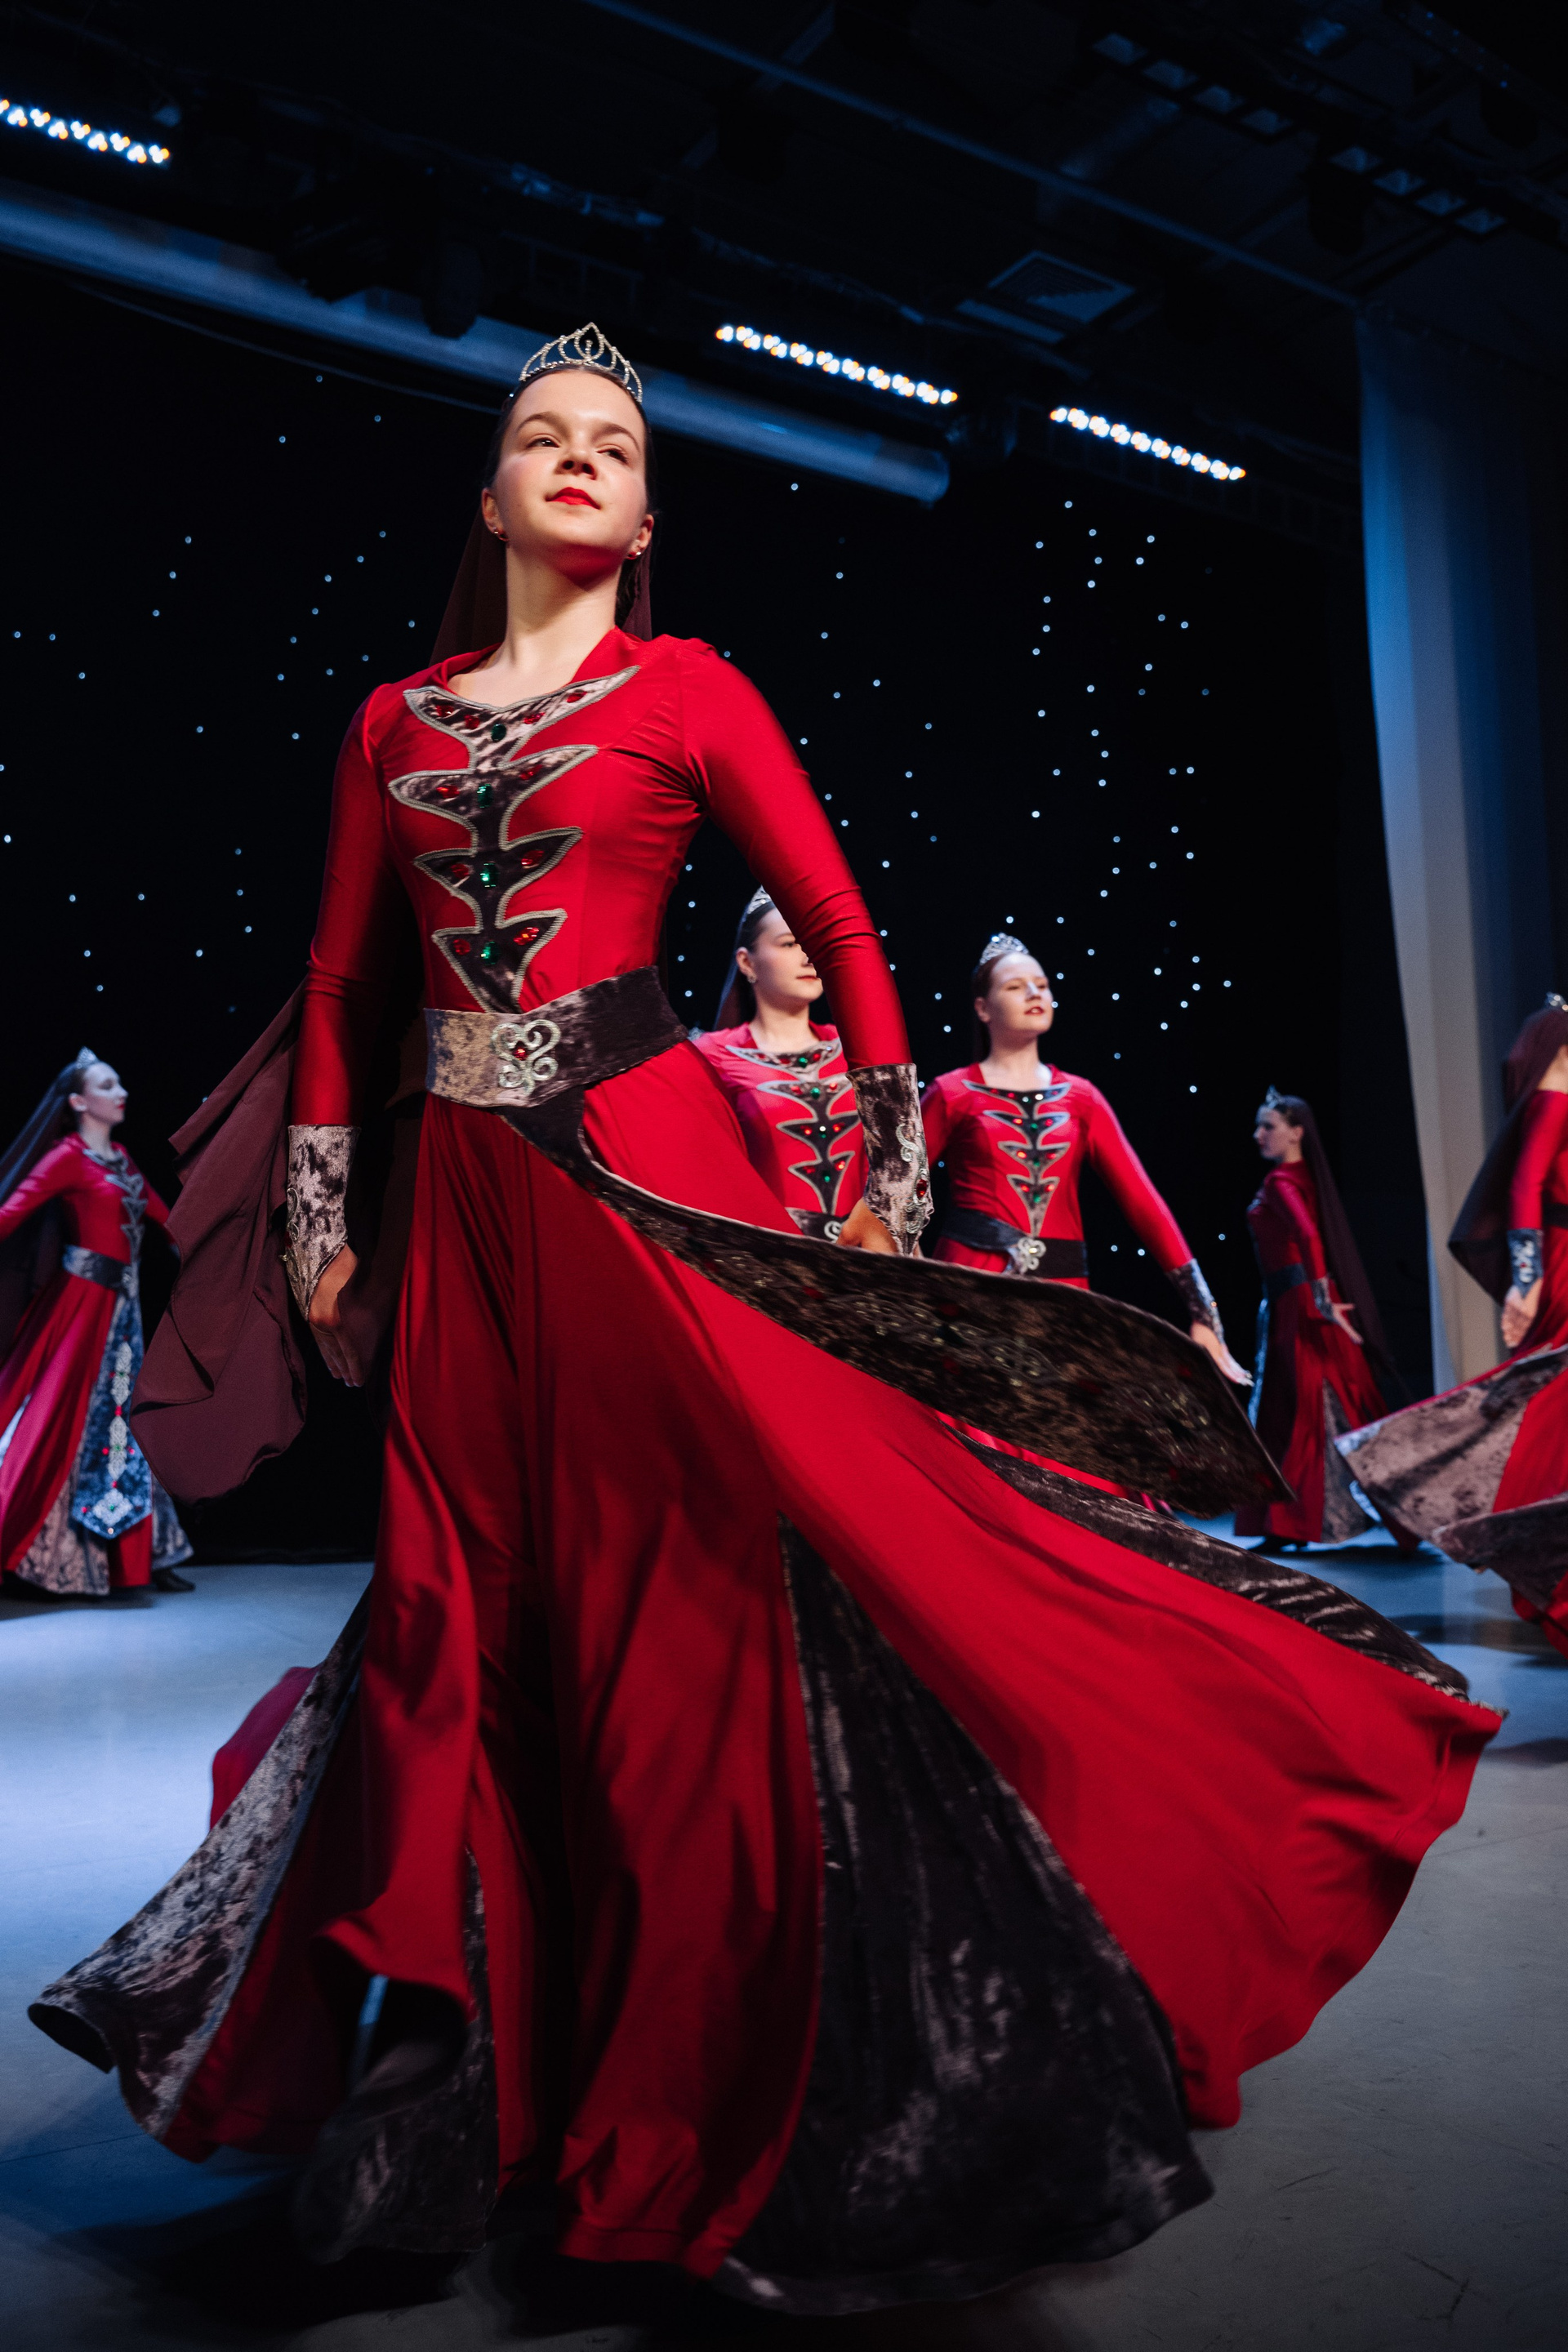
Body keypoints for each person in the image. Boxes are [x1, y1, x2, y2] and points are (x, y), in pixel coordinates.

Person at [33, 326, 1498, 2318]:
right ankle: (445, 2058)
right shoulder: (390, 721)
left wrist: (884, 1176)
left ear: (647, 516)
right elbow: (342, 983)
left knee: (690, 1588)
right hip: (460, 1202)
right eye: (539, 436)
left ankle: (720, 2069)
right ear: (491, 497)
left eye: (613, 444)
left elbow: (849, 925)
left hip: (646, 1170)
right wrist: (317, 1230)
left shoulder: (691, 689)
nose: (576, 456)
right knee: (457, 1599)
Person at [1338, 997, 1568, 1651]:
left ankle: (1533, 1549)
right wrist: (1526, 1278)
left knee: (1546, 1405)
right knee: (1548, 1403)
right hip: (1562, 1265)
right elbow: (1523, 1186)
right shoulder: (1555, 1092)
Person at [921, 933, 1249, 1383]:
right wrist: (908, 1274)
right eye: (1016, 986)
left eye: (1042, 985)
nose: (1034, 993)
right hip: (968, 1289)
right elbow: (897, 1190)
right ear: (983, 1008)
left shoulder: (1081, 1098)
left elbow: (1144, 1204)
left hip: (1063, 1297)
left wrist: (1203, 1310)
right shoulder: (951, 1093)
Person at [0, 1052, 192, 1597]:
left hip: (122, 1311)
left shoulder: (122, 1159)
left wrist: (208, 1249)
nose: (120, 1091)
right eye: (107, 1085)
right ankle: (35, 1552)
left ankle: (139, 1555)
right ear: (79, 1102)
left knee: (122, 1426)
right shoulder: (66, 1157)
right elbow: (10, 1213)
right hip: (79, 1308)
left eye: (119, 1082)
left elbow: (165, 1219)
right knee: (59, 1422)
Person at [1235, 1089, 1400, 1549]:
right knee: (1328, 1407)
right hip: (1295, 1302)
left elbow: (1308, 1236)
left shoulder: (1281, 1182)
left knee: (1303, 1412)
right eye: (1259, 1125)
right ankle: (1295, 1522)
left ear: (1296, 1133)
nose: (1258, 1135)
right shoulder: (1303, 1178)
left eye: (1268, 1126)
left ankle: (1290, 1524)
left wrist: (1322, 1299)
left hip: (1300, 1306)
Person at [693, 888, 863, 1239]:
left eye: (813, 943)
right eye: (789, 944)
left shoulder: (856, 1046)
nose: (809, 957)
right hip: (769, 1255)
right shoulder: (712, 1055)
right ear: (747, 963)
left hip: (863, 1256)